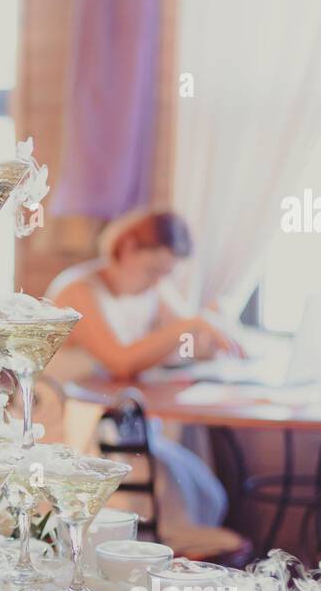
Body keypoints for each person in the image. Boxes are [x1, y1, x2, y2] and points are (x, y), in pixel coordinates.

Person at [45, 208, 243, 530]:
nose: (157, 281)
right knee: (163, 487)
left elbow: (187, 346)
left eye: (165, 274)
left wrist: (212, 327)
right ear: (126, 249)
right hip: (76, 428)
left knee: (203, 488)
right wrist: (192, 323)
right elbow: (121, 362)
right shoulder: (77, 290)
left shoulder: (152, 290)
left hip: (120, 422)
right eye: (152, 270)